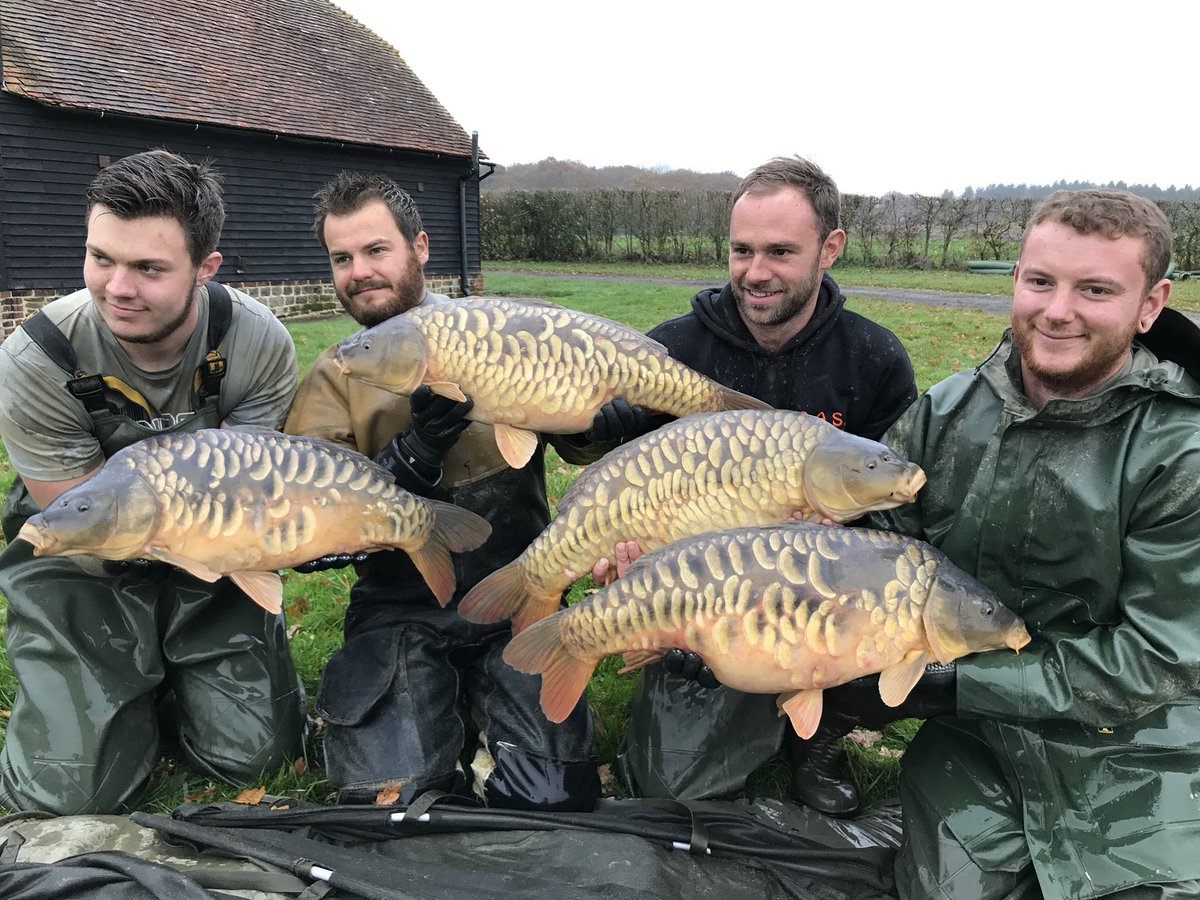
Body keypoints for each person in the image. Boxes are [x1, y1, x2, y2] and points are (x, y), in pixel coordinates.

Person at [828, 188, 1200, 898]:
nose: (1057, 311)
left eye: (1095, 289)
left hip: (1150, 749)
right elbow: (875, 547)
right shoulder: (949, 409)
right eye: (1040, 281)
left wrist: (946, 687)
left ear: (1151, 304)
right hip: (979, 744)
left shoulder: (1181, 453)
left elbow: (1155, 661)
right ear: (1016, 281)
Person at [589, 156, 919, 809]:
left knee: (912, 604)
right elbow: (615, 481)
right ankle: (719, 689)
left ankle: (821, 733)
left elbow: (898, 511)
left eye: (779, 252)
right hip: (704, 594)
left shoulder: (875, 359)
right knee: (673, 786)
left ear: (830, 249)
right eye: (741, 250)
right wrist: (622, 561)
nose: (755, 272)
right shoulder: (673, 351)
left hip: (821, 591)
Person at [284, 171, 605, 810]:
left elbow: (588, 449)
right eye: (341, 258)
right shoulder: (333, 375)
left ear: (421, 248)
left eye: (376, 250)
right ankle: (427, 717)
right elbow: (311, 532)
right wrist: (411, 458)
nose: (358, 272)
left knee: (549, 797)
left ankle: (494, 724)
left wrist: (596, 411)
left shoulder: (505, 334)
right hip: (399, 605)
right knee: (394, 801)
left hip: (521, 595)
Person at [0, 149, 306, 815]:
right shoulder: (37, 358)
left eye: (148, 268)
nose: (116, 286)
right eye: (101, 258)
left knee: (255, 759)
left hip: (217, 546)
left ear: (205, 269)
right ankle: (119, 680)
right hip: (91, 551)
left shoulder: (256, 342)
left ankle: (173, 679)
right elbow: (79, 522)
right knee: (72, 793)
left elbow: (254, 497)